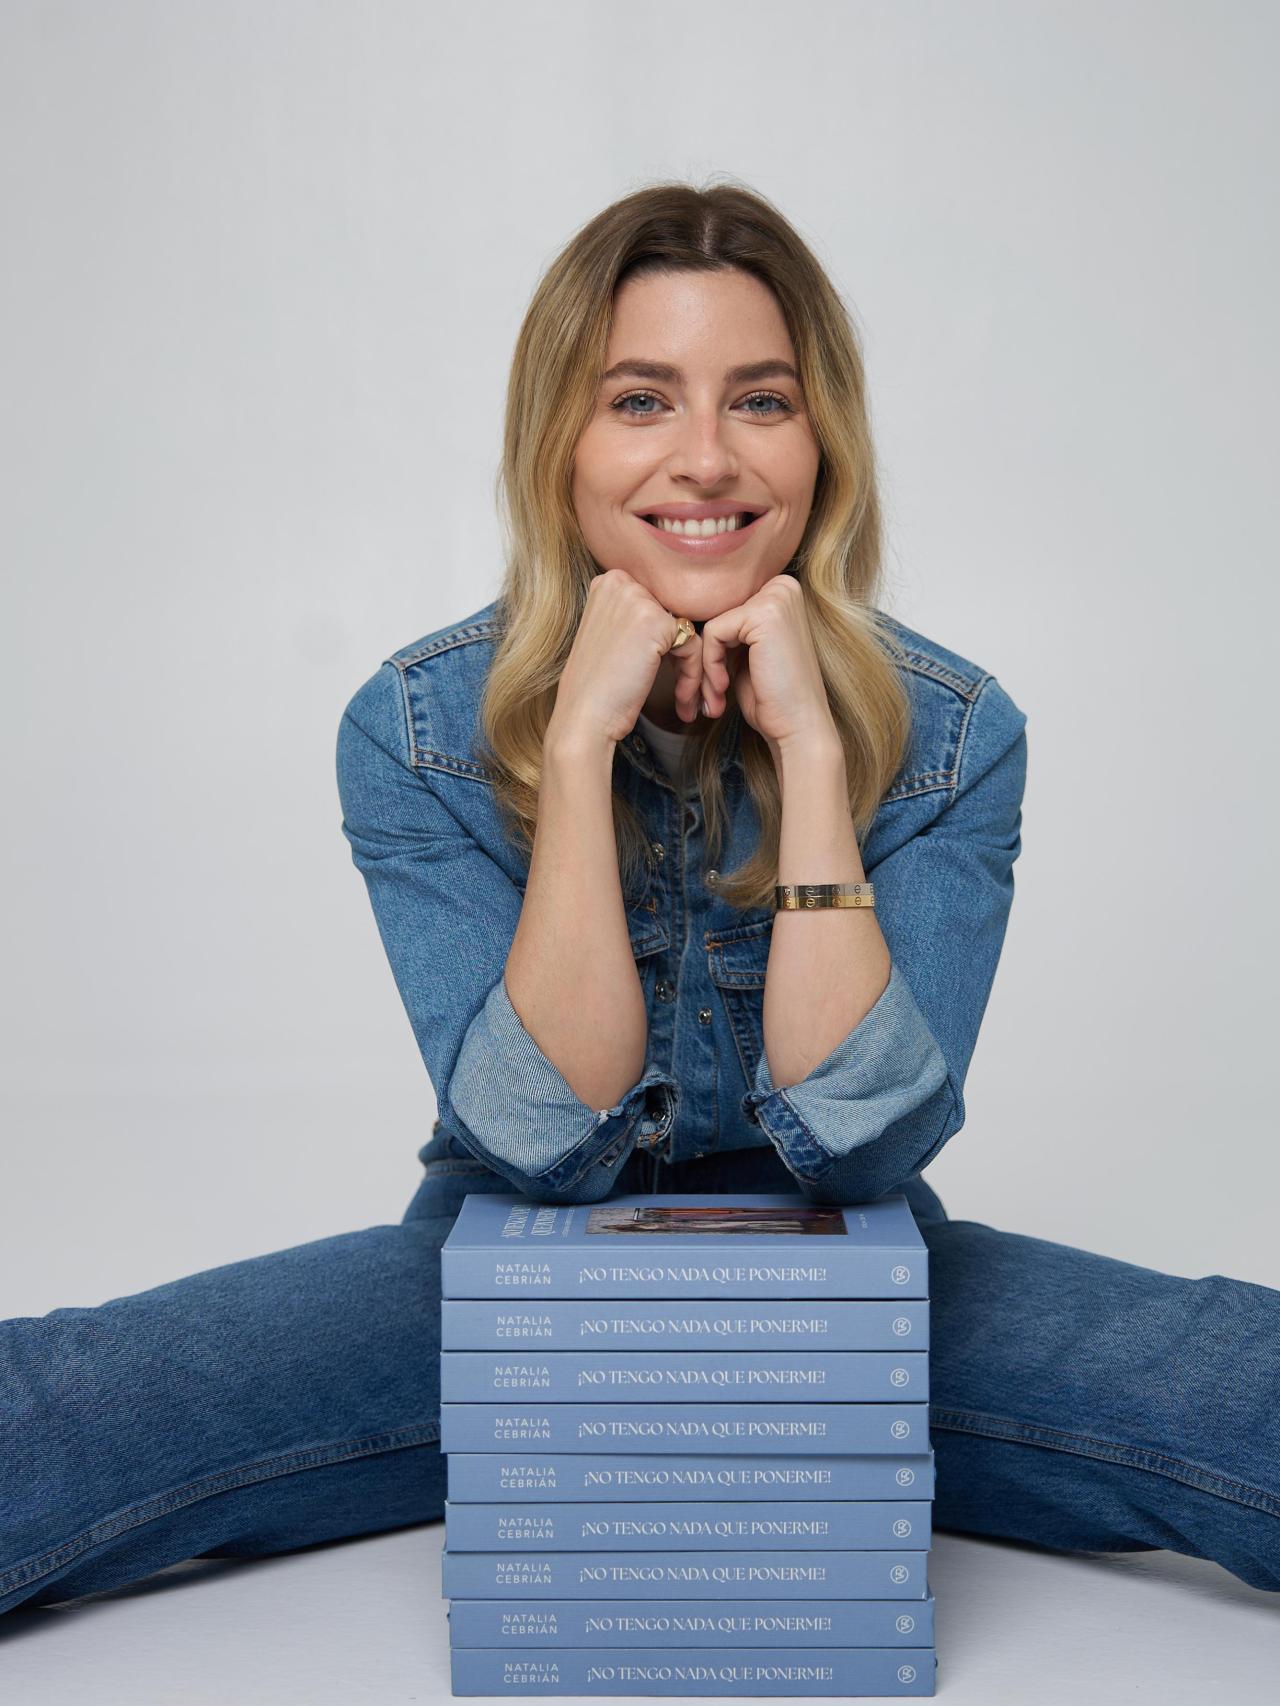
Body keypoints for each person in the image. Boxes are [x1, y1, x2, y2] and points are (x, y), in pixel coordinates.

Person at [2, 181, 1277, 1620]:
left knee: (1238, 1377)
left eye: (761, 400)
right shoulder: (417, 727)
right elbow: (543, 1138)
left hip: (849, 1290)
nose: (706, 456)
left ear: (824, 442)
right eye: (641, 400)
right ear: (560, 443)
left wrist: (806, 746)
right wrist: (573, 740)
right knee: (69, 1403)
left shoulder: (955, 733)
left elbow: (857, 1138)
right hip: (511, 1289)